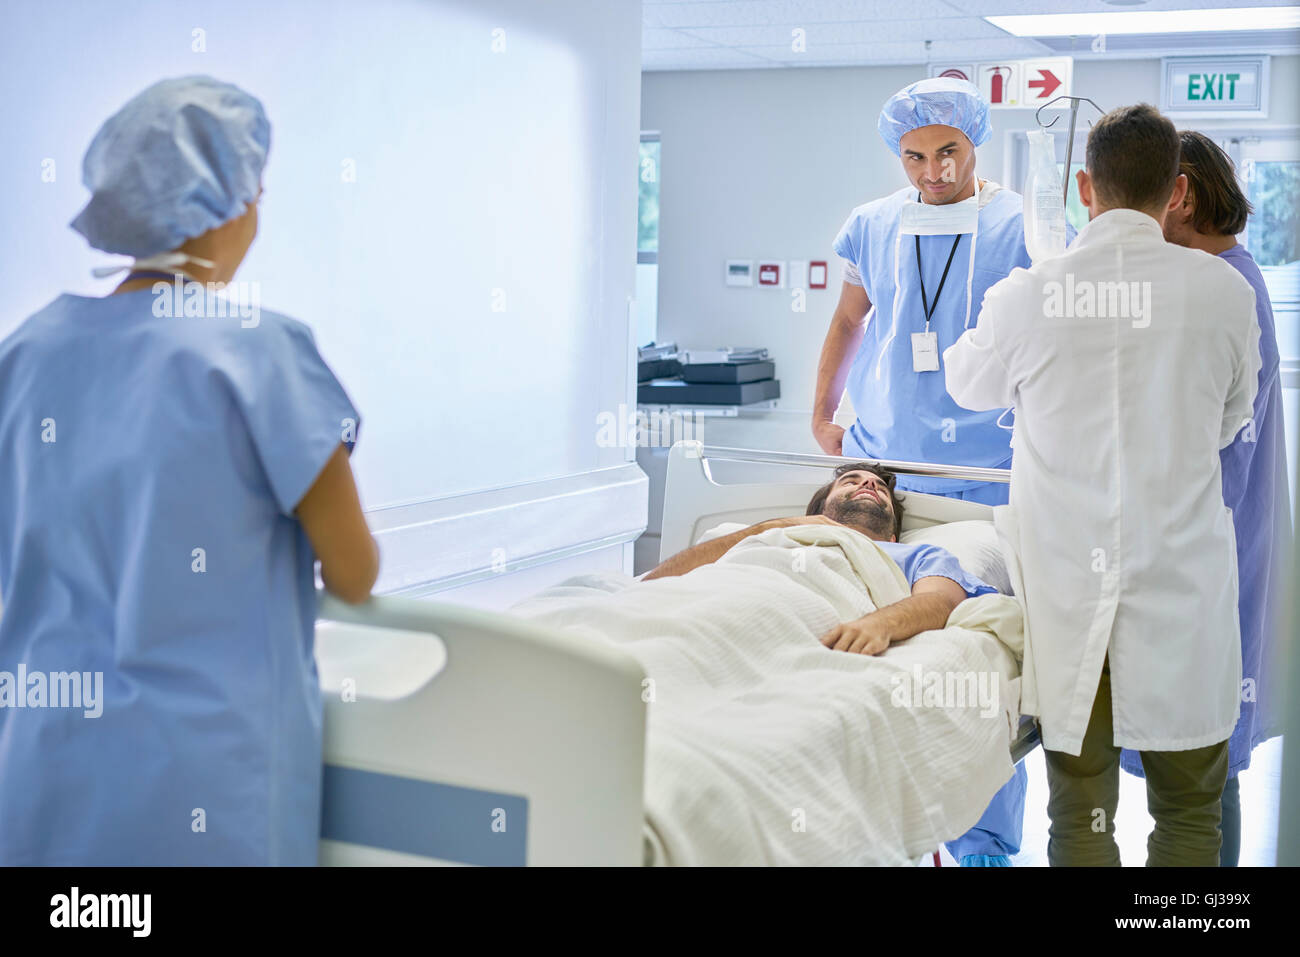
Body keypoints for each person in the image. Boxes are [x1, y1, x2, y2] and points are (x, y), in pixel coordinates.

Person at [0, 76, 380, 865]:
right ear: (228, 207)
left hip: (41, 770)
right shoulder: (260, 352)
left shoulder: (25, 354)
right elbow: (353, 571)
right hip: (201, 787)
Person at [944, 104, 1261, 866]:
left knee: (1080, 815)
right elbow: (1231, 418)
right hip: (1183, 593)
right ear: (1176, 191)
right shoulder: (1224, 294)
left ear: (1084, 188)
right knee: (1189, 815)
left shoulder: (1028, 295)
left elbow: (965, 383)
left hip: (1069, 599)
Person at [811, 76, 1043, 865]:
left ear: (975, 142)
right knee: (879, 644)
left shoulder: (1019, 225)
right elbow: (849, 318)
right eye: (914, 156)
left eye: (948, 152)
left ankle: (983, 843)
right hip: (888, 461)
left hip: (988, 473)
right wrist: (824, 411)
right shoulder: (873, 225)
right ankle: (884, 827)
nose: (933, 171)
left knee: (980, 661)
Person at [1117, 130, 1293, 866]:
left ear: (1180, 196)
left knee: (1206, 758)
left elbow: (1213, 448)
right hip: (1223, 542)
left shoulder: (1224, 291)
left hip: (1215, 550)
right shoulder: (1228, 279)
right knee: (1205, 753)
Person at [647, 463, 997, 656]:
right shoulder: (773, 534)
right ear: (817, 511)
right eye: (851, 482)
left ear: (893, 535)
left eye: (880, 488)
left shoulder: (916, 555)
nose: (869, 486)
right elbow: (655, 582)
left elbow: (940, 602)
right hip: (708, 605)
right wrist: (776, 526)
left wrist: (879, 625)